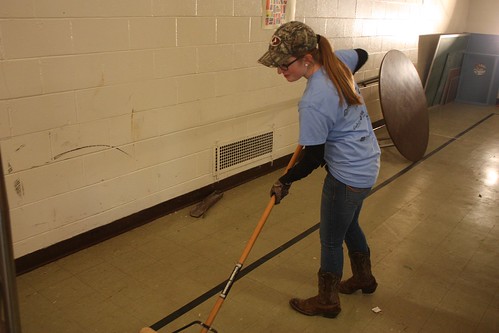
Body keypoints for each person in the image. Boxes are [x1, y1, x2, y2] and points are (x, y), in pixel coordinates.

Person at [258, 21, 380, 318]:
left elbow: (313, 157)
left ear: (307, 59)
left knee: (330, 239)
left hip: (346, 175)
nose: (280, 71)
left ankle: (327, 301)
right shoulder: (337, 62)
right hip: (368, 165)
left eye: (284, 65)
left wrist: (284, 180)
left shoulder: (313, 101)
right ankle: (364, 278)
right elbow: (362, 53)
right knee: (349, 224)